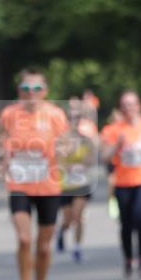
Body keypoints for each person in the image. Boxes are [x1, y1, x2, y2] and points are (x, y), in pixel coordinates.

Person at [0, 68, 69, 280]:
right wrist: (4, 156)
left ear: (45, 92)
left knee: (45, 246)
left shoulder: (55, 115)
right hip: (19, 184)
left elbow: (67, 144)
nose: (31, 94)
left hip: (48, 186)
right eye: (26, 89)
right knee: (25, 239)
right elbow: (0, 139)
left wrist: (63, 149)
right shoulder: (9, 115)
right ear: (19, 91)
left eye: (36, 89)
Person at [100, 92, 141, 277]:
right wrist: (117, 144)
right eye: (125, 105)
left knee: (140, 217)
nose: (128, 108)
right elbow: (104, 157)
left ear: (139, 106)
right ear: (120, 108)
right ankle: (128, 259)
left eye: (132, 104)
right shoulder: (113, 129)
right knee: (126, 223)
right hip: (123, 181)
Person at [56, 99, 98, 262]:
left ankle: (77, 247)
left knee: (78, 217)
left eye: (77, 118)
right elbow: (58, 160)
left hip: (82, 183)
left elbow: (90, 160)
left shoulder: (86, 139)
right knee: (68, 220)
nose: (75, 121)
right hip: (65, 184)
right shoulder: (61, 138)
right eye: (71, 118)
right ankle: (61, 232)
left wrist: (86, 152)